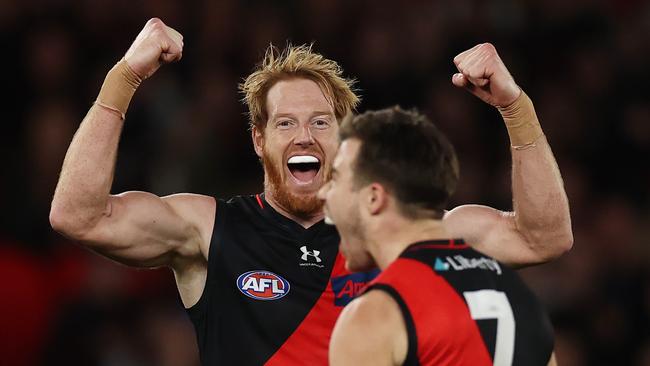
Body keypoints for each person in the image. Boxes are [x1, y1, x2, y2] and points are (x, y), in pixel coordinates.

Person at [49, 18, 572, 365]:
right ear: (258, 139)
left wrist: (516, 108)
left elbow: (540, 238)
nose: (304, 135)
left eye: (322, 122)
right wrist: (124, 77)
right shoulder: (209, 229)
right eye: (286, 123)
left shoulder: (404, 231)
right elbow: (78, 214)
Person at [320, 107, 558, 366]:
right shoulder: (520, 298)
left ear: (374, 198)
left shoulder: (377, 315)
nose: (324, 194)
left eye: (336, 178)